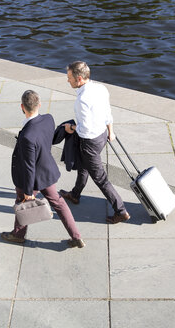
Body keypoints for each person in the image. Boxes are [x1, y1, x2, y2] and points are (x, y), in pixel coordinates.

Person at [1, 90, 85, 248]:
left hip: (33, 178)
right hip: (47, 173)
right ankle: (76, 236)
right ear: (39, 104)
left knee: (22, 204)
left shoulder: (27, 136)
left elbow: (28, 166)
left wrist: (28, 192)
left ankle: (18, 235)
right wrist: (63, 129)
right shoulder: (48, 119)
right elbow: (50, 138)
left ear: (22, 107)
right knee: (59, 204)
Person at [60, 61, 131, 224]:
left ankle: (121, 211)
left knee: (100, 178)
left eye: (69, 77)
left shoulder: (81, 100)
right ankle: (75, 195)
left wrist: (71, 127)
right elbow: (107, 112)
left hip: (90, 141)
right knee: (83, 166)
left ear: (78, 79)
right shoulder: (100, 88)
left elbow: (84, 129)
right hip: (102, 136)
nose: (67, 80)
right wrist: (111, 132)